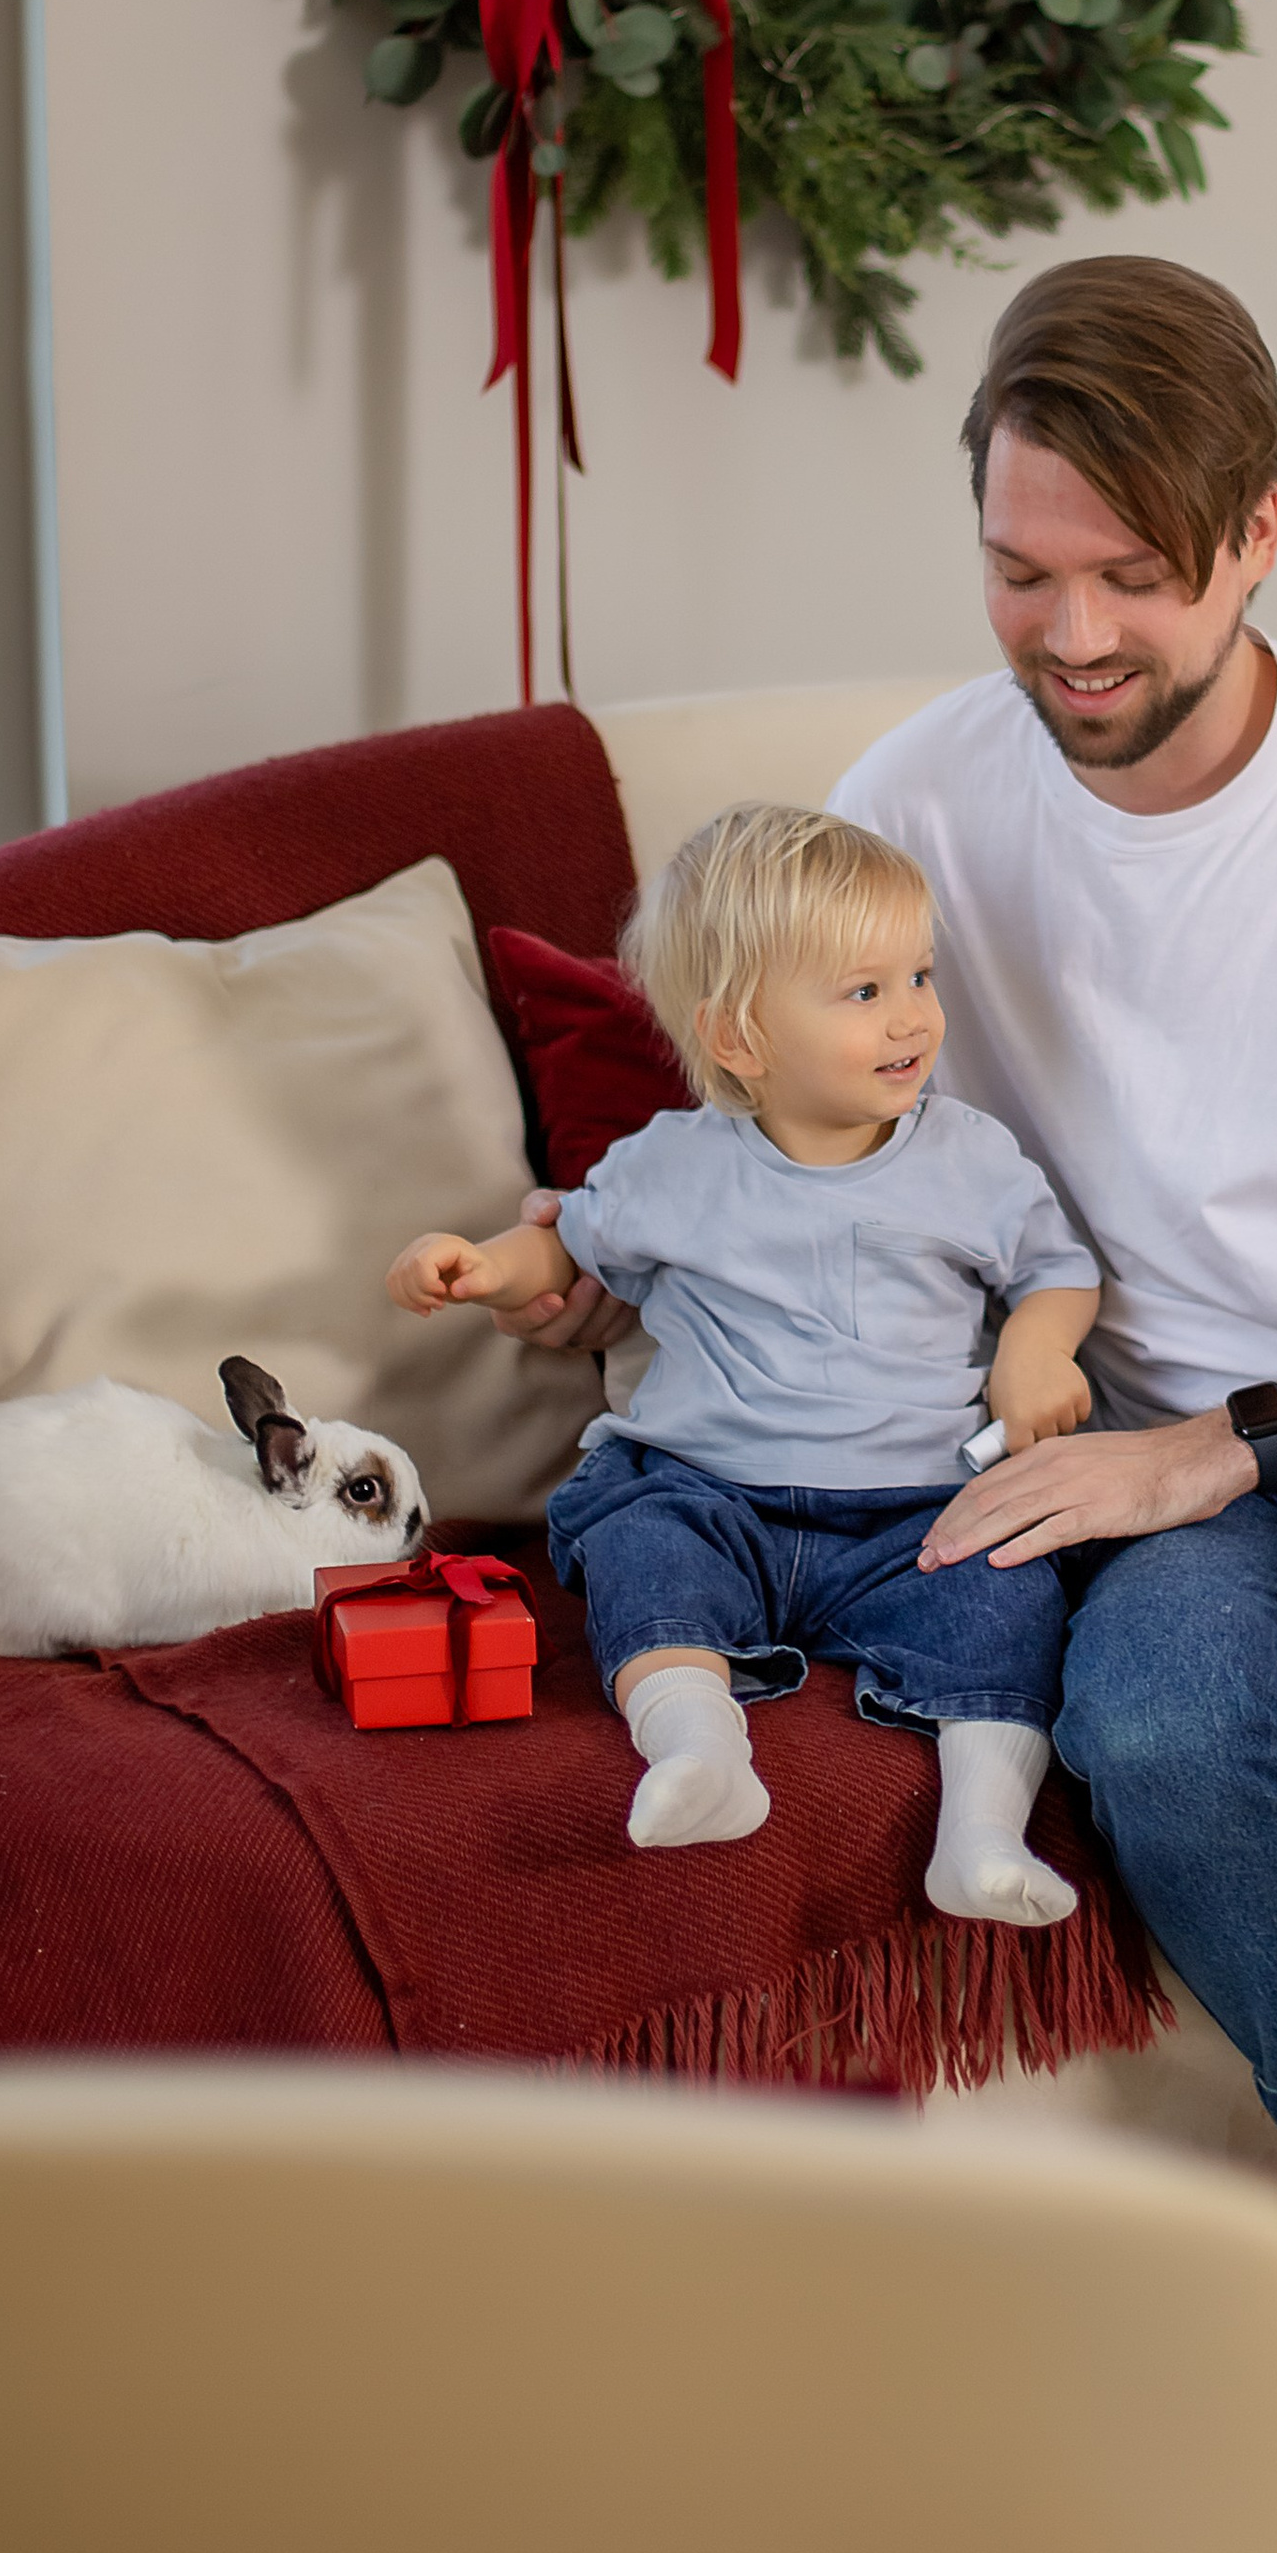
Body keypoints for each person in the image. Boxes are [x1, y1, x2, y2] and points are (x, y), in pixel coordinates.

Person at [493, 255, 1277, 2553]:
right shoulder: (919, 808)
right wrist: (604, 1266)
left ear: (1256, 536)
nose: (1070, 632)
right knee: (1157, 1715)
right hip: (1198, 1466)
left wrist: (1210, 1445)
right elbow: (798, 1120)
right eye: (1019, 570)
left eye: (1130, 577)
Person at [387, 802, 1101, 1922]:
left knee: (1008, 1597)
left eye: (919, 976)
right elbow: (561, 1244)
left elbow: (1058, 1272)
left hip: (915, 1508)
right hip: (707, 1487)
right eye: (865, 993)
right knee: (639, 1548)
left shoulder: (970, 1158)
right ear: (738, 1040)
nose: (914, 1016)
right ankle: (699, 1750)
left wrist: (1033, 1349)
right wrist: (478, 1263)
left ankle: (980, 1839)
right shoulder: (671, 1166)